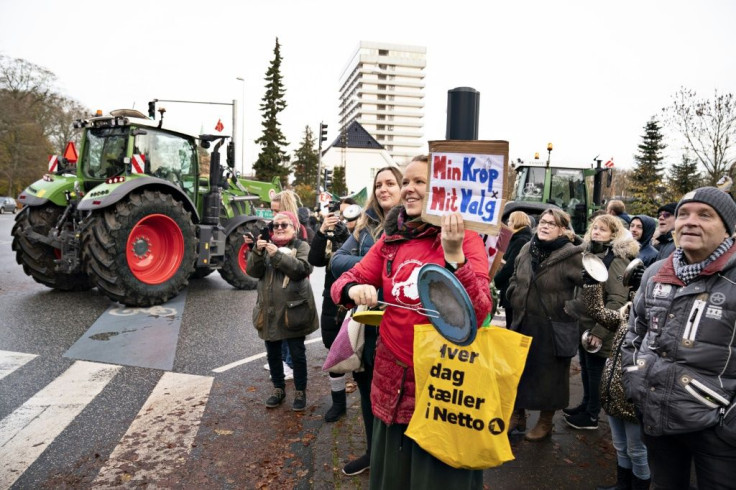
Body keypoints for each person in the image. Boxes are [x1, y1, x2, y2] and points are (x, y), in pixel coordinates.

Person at [331, 156, 492, 489]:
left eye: (420, 182)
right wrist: (352, 287)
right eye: (407, 182)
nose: (409, 190)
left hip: (443, 387)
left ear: (441, 191)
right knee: (394, 476)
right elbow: (344, 279)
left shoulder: (468, 238)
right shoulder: (392, 241)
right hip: (393, 384)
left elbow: (477, 313)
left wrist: (454, 255)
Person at [621, 187, 736, 489]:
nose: (690, 221)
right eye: (683, 214)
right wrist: (635, 378)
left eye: (705, 215)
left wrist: (730, 422)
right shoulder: (657, 272)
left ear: (728, 228)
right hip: (658, 413)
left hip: (718, 429)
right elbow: (636, 331)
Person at [330, 165, 403, 476]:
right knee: (366, 388)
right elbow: (336, 262)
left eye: (390, 183)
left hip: (400, 325)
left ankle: (394, 459)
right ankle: (374, 453)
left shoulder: (411, 227)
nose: (383, 189)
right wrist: (374, 265)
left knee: (398, 399)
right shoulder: (366, 224)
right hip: (367, 324)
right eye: (378, 185)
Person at [505, 208, 585, 441]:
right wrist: (513, 291)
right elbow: (514, 275)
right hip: (522, 321)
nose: (545, 226)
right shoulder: (527, 247)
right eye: (542, 222)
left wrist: (571, 309)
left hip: (553, 326)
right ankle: (517, 415)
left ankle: (545, 421)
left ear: (562, 229)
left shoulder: (572, 254)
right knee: (517, 372)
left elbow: (592, 289)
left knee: (550, 378)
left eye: (551, 223)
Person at [578, 265, 651, 490]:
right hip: (612, 396)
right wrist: (592, 283)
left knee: (637, 452)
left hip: (634, 400)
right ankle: (622, 485)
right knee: (621, 446)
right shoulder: (625, 317)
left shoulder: (654, 323)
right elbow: (597, 311)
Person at [563, 214, 638, 431]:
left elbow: (617, 300)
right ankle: (586, 405)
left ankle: (592, 415)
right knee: (586, 369)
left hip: (601, 329)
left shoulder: (616, 259)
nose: (596, 232)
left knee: (596, 372)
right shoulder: (592, 253)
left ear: (613, 234)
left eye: (603, 229)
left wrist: (599, 331)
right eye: (594, 228)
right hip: (585, 325)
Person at [246, 211, 318, 411]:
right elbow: (253, 272)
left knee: (297, 353)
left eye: (283, 225)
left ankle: (300, 391)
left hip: (293, 312)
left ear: (294, 227)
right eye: (275, 225)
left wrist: (275, 254)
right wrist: (257, 253)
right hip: (268, 310)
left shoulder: (301, 246)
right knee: (273, 354)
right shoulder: (267, 246)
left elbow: (301, 270)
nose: (278, 228)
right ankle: (278, 389)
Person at [307, 198, 357, 423]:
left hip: (355, 303)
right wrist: (321, 233)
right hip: (333, 304)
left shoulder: (364, 237)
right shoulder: (330, 236)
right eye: (339, 215)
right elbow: (314, 259)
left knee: (360, 354)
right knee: (334, 354)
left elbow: (360, 264)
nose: (343, 220)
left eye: (349, 216)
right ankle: (338, 404)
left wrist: (346, 238)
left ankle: (364, 399)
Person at [493, 211, 533, 328]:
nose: (508, 223)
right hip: (514, 288)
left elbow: (510, 267)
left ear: (516, 222)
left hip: (514, 289)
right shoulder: (519, 238)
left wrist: (495, 281)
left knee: (513, 325)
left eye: (510, 220)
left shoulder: (520, 240)